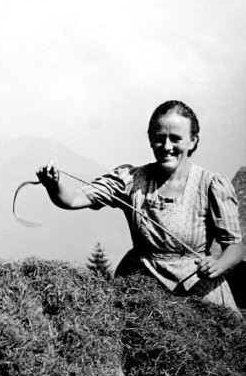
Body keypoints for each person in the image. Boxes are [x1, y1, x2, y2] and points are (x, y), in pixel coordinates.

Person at [37, 100, 244, 311]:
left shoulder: (210, 185)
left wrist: (218, 264)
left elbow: (235, 248)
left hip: (198, 292)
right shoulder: (131, 179)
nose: (167, 147)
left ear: (192, 141)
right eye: (159, 138)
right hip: (142, 291)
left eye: (175, 139)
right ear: (150, 139)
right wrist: (54, 185)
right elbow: (72, 199)